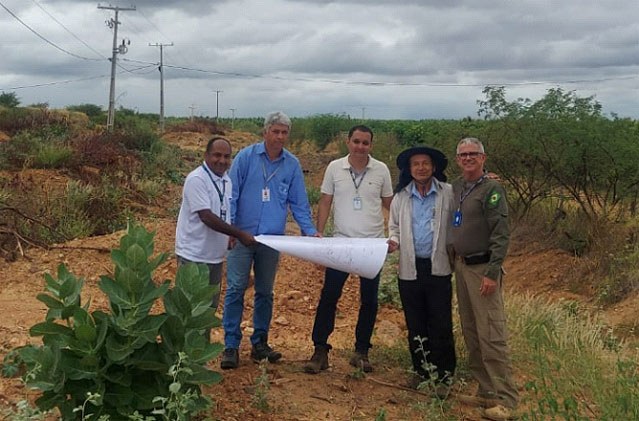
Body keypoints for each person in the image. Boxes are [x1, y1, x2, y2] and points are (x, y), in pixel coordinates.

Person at [221, 111, 319, 370]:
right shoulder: (245, 157)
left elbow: (299, 203)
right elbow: (231, 195)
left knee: (265, 292)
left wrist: (309, 231)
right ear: (265, 132)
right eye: (275, 131)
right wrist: (231, 230)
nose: (279, 136)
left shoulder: (292, 165)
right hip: (243, 237)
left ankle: (259, 344)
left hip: (272, 241)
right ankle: (230, 346)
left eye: (284, 132)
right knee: (235, 289)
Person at [303, 125, 393, 374]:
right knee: (329, 296)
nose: (360, 146)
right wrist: (318, 234)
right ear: (348, 142)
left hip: (371, 245)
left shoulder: (381, 170)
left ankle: (361, 352)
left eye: (365, 143)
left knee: (369, 300)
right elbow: (325, 201)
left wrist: (394, 235)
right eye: (356, 141)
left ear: (371, 146)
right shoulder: (334, 168)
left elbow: (390, 205)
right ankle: (320, 350)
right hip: (341, 243)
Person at [450, 137, 518, 420]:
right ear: (457, 159)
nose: (468, 159)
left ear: (483, 157)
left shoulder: (492, 189)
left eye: (473, 154)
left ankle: (506, 398)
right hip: (462, 268)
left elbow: (501, 234)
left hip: (482, 269)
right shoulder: (455, 187)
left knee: (491, 332)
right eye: (463, 154)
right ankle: (486, 390)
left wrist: (492, 272)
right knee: (472, 330)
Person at [387, 145, 456, 395]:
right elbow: (393, 226)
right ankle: (421, 372)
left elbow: (463, 213)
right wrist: (393, 240)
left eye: (425, 163)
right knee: (415, 323)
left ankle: (445, 376)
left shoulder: (448, 192)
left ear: (434, 167)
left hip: (439, 268)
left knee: (440, 323)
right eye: (415, 164)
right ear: (409, 169)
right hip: (410, 269)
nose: (421, 167)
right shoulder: (401, 197)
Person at [175, 136, 256, 334]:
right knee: (189, 313)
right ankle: (182, 361)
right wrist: (238, 233)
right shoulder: (196, 179)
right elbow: (207, 217)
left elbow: (223, 210)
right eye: (217, 155)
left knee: (206, 313)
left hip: (214, 257)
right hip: (194, 257)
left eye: (227, 156)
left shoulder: (225, 180)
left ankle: (198, 359)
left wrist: (229, 234)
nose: (222, 160)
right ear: (206, 155)